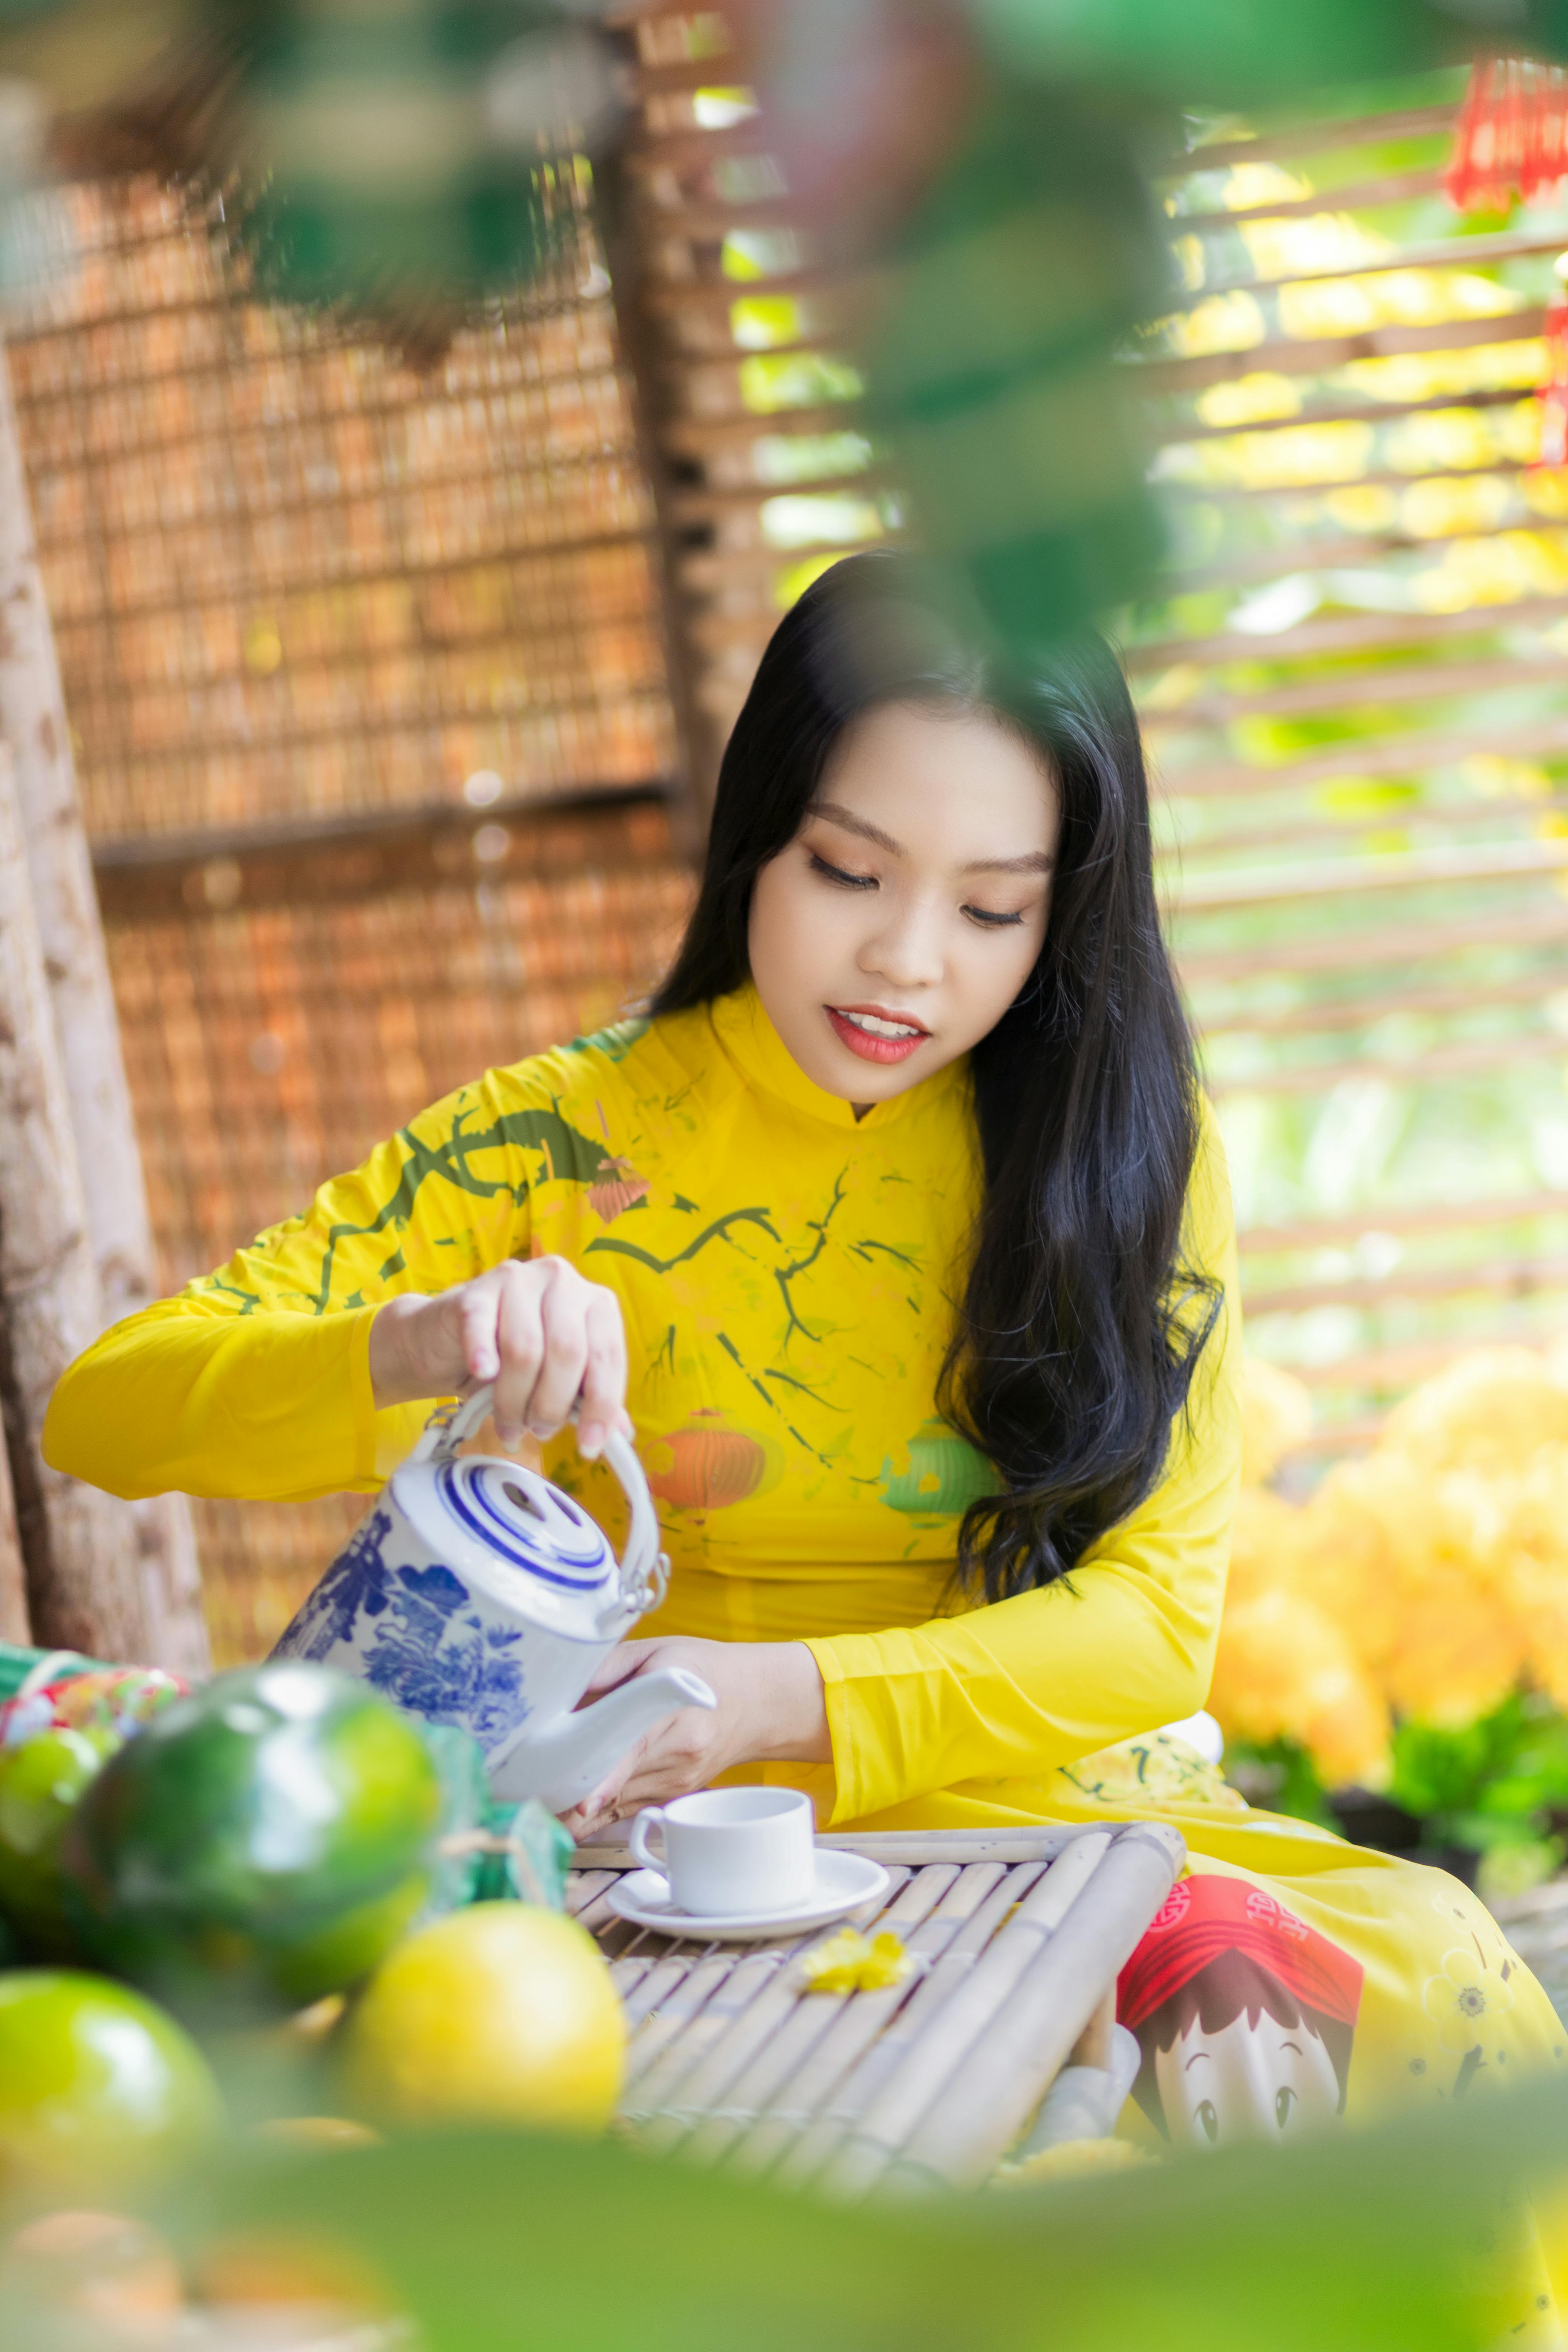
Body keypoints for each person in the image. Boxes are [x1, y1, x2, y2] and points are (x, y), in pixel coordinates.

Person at [44, 551, 1565, 2162]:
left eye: (991, 909)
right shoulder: (555, 1139)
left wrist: (772, 1701)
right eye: (849, 872)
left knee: (1401, 2008)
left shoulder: (1127, 1157)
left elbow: (1148, 1634)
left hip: (1045, 1829)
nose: (910, 959)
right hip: (651, 1857)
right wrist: (424, 1335)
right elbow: (106, 1410)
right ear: (756, 833)